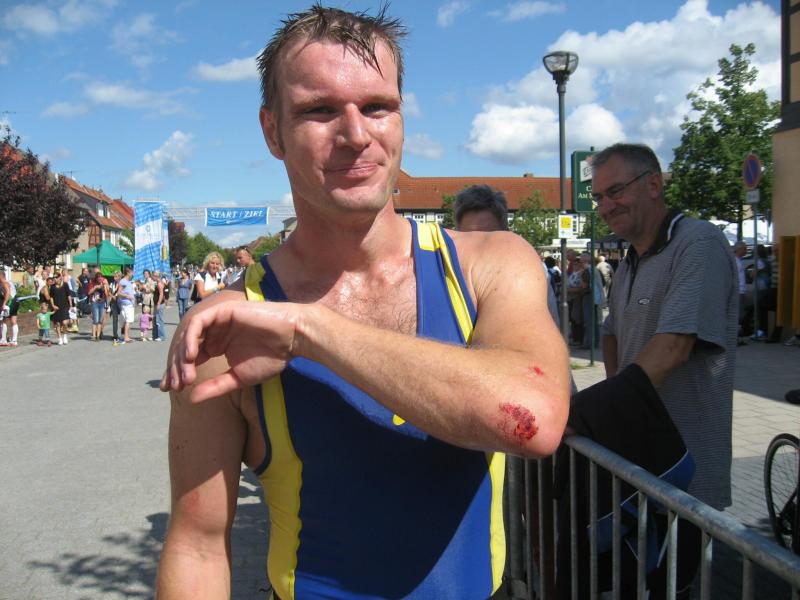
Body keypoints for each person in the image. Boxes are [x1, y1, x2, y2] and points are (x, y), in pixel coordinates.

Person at [156, 7, 569, 599]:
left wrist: (310, 331)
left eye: (377, 106)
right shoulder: (230, 326)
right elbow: (196, 546)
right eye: (320, 110)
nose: (355, 134)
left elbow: (532, 417)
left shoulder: (490, 264)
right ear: (272, 131)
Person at [575, 142, 737, 597]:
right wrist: (618, 403)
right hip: (639, 465)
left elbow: (673, 349)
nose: (605, 206)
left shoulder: (698, 243)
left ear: (653, 184)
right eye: (599, 197)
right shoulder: (629, 261)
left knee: (676, 586)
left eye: (615, 191)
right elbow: (610, 333)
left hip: (685, 469)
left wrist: (593, 412)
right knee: (633, 583)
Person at [49, 271, 72, 345]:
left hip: (64, 306)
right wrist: (53, 305)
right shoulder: (52, 287)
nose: (54, 279)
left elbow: (68, 295)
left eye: (56, 277)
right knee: (58, 324)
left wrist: (70, 304)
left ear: (60, 277)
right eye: (54, 277)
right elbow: (51, 297)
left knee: (65, 323)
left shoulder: (65, 285)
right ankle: (59, 338)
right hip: (56, 307)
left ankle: (65, 336)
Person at [115, 267, 136, 345]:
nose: (132, 274)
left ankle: (125, 336)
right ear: (128, 273)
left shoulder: (128, 281)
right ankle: (126, 337)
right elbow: (119, 293)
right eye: (131, 272)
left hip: (129, 303)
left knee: (126, 321)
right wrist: (128, 296)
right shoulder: (123, 281)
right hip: (127, 304)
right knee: (128, 320)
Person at [0, 269, 20, 347]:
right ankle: (14, 340)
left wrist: (4, 303)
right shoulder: (9, 282)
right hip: (16, 301)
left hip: (10, 302)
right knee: (13, 320)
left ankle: (3, 340)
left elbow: (8, 293)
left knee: (3, 320)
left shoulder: (5, 283)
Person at [87, 271, 108, 341]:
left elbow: (106, 294)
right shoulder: (92, 283)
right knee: (95, 320)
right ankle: (94, 336)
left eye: (101, 277)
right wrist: (95, 287)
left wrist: (104, 288)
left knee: (100, 320)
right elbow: (89, 293)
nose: (100, 279)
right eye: (98, 277)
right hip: (95, 302)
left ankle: (98, 336)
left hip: (102, 302)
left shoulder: (103, 284)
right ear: (96, 278)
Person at [152, 271, 166, 342]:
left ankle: (162, 336)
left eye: (153, 276)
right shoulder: (157, 283)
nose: (152, 277)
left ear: (156, 276)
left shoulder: (159, 284)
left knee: (159, 320)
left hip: (159, 304)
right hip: (157, 303)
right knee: (155, 319)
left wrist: (158, 303)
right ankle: (155, 335)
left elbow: (161, 294)